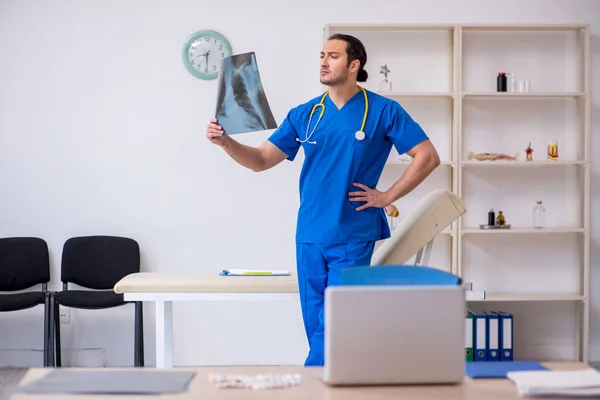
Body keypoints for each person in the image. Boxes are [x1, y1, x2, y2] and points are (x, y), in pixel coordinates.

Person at [205, 33, 440, 367]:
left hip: (353, 233)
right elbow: (260, 160)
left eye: (332, 56)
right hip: (310, 234)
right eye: (321, 55)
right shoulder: (305, 114)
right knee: (316, 325)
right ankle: (333, 383)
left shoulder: (384, 111)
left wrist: (387, 196)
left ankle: (312, 383)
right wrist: (226, 142)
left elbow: (428, 157)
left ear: (354, 65)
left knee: (336, 323)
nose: (323, 62)